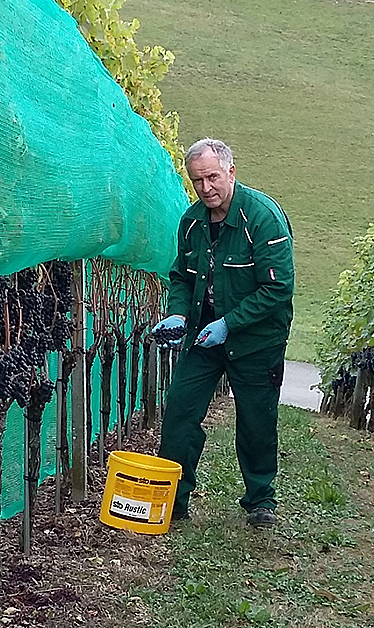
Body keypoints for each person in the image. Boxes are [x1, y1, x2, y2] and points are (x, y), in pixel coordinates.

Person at [155, 138, 294, 528]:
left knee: (256, 419)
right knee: (180, 413)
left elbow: (278, 288)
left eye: (213, 177)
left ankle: (260, 499)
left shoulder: (263, 218)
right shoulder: (192, 222)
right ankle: (174, 498)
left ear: (231, 171)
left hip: (256, 340)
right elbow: (181, 276)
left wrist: (230, 323)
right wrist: (179, 315)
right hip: (204, 337)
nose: (206, 188)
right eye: (197, 181)